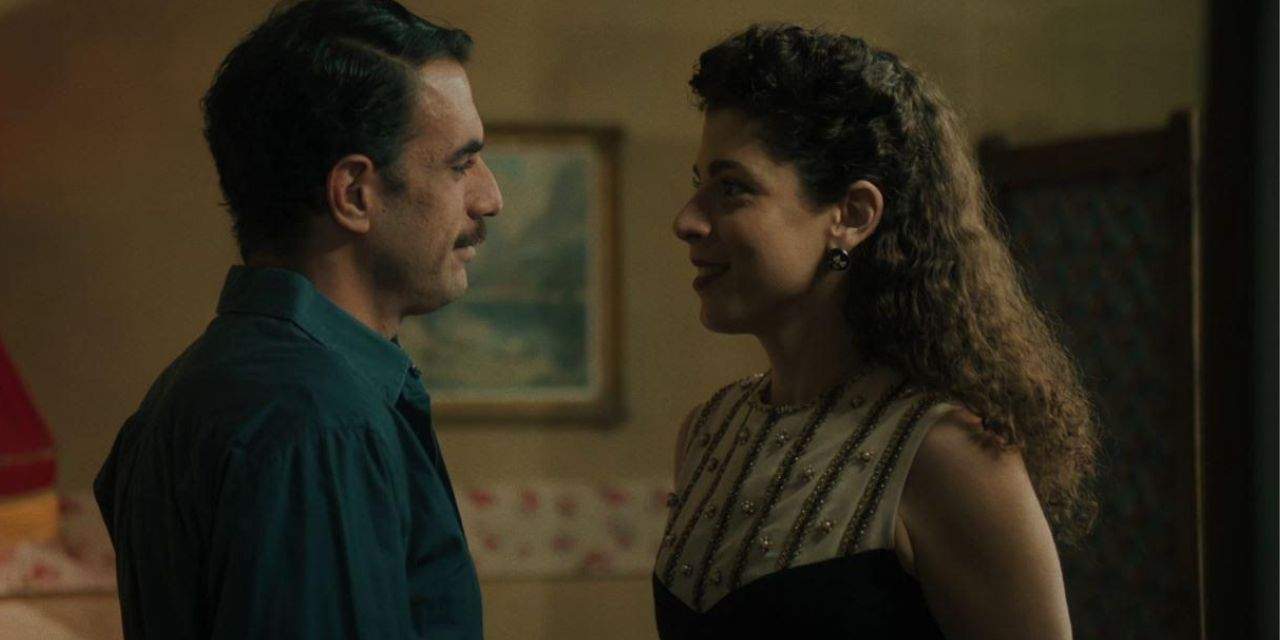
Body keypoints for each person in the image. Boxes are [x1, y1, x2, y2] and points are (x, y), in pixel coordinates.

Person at [654, 24, 1096, 639]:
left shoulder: (946, 454)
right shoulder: (710, 431)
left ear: (852, 215)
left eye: (732, 189)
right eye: (698, 183)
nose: (688, 220)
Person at [93, 1, 501, 638]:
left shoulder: (193, 385)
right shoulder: (318, 422)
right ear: (355, 194)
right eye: (460, 164)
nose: (490, 197)